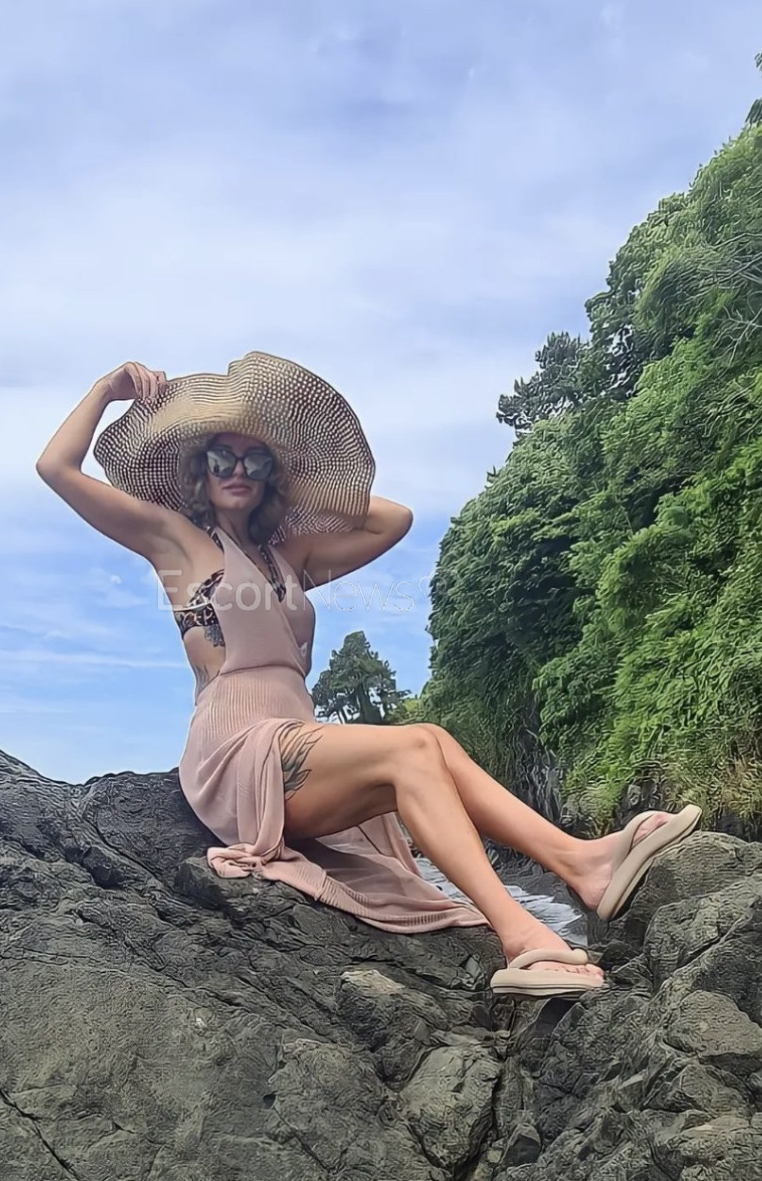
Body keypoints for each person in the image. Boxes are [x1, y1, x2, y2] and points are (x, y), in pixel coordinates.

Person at [36, 352, 701, 998]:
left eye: (255, 460)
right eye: (222, 458)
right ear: (198, 468)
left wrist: (291, 485)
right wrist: (108, 388)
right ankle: (521, 935)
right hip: (237, 750)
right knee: (413, 747)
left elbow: (393, 519)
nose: (237, 470)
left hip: (298, 740)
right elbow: (55, 467)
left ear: (270, 475)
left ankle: (582, 864)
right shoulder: (174, 539)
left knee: (431, 739)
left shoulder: (288, 557)